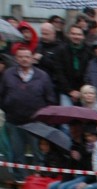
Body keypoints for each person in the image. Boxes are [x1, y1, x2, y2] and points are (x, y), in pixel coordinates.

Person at [0, 45, 57, 180]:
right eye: (20, 57)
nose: (24, 59)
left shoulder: (42, 76)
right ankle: (21, 180)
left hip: (36, 122)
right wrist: (8, 107)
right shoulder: (8, 74)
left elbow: (50, 98)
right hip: (14, 121)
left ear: (32, 58)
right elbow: (2, 94)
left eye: (27, 56)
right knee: (17, 152)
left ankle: (39, 179)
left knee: (38, 152)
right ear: (16, 58)